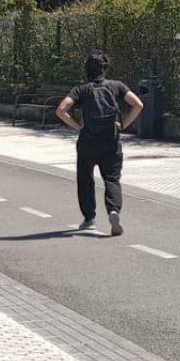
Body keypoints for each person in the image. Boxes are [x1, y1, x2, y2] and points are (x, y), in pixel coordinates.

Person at [55, 52, 143, 235]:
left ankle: (89, 219)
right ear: (105, 68)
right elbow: (138, 104)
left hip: (87, 141)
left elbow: (61, 110)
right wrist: (124, 124)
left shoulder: (81, 89)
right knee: (112, 179)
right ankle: (113, 210)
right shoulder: (116, 86)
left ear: (87, 69)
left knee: (85, 179)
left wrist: (78, 126)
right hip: (111, 141)